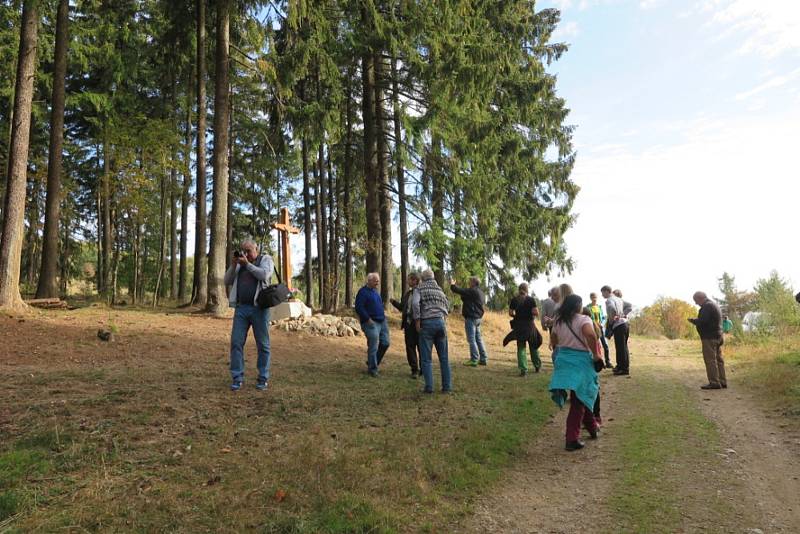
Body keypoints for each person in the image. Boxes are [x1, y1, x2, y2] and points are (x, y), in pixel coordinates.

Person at [548, 294, 602, 451]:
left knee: (580, 396)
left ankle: (592, 427)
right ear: (578, 306)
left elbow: (554, 338)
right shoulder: (584, 320)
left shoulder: (559, 320)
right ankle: (572, 438)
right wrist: (596, 354)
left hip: (563, 360)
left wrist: (559, 345)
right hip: (581, 361)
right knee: (581, 398)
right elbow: (591, 335)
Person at [223, 239, 274, 391]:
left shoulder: (265, 259)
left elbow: (264, 275)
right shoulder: (240, 264)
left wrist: (248, 265)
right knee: (236, 343)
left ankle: (263, 378)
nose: (246, 254)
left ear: (256, 249)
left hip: (260, 309)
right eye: (243, 251)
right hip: (241, 309)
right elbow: (227, 280)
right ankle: (237, 377)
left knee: (263, 345)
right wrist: (234, 265)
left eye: (249, 250)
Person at [412, 269, 452, 393]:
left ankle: (429, 387)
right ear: (433, 278)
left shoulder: (420, 289)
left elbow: (414, 304)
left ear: (423, 279)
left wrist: (417, 320)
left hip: (427, 323)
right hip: (440, 323)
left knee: (426, 358)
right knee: (444, 358)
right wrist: (443, 316)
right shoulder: (440, 290)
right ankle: (447, 387)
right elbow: (448, 305)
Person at [688, 291, 727, 390]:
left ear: (700, 298)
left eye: (696, 301)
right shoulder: (714, 305)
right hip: (718, 335)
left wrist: (693, 321)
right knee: (719, 360)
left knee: (710, 360)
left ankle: (714, 382)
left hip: (709, 337)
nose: (696, 303)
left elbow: (703, 321)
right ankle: (722, 381)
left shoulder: (707, 306)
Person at [355, 273, 390, 377]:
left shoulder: (375, 292)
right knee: (373, 346)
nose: (377, 283)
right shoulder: (362, 292)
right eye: (376, 281)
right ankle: (373, 369)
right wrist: (367, 319)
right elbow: (359, 307)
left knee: (385, 343)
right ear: (369, 281)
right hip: (370, 323)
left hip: (382, 322)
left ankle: (372, 362)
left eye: (378, 281)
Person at [451, 276, 489, 367]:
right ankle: (483, 358)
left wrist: (452, 284)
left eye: (470, 281)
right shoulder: (480, 292)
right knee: (478, 338)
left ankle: (474, 359)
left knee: (471, 339)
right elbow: (465, 298)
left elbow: (459, 291)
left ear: (474, 282)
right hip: (478, 318)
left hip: (471, 318)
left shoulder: (473, 291)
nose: (469, 283)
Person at [390, 272, 422, 378]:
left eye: (409, 279)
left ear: (415, 280)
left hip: (420, 324)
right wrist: (393, 302)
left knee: (421, 347)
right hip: (408, 324)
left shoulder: (422, 292)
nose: (408, 281)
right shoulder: (408, 294)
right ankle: (414, 370)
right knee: (410, 347)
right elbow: (402, 307)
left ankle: (423, 368)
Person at [507, 283, 542, 375]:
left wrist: (517, 315)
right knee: (533, 345)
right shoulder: (531, 300)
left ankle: (523, 370)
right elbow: (536, 312)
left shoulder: (514, 300)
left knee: (521, 347)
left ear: (519, 289)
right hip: (530, 326)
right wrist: (529, 314)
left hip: (519, 326)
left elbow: (510, 313)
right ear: (527, 290)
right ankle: (537, 366)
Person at [601, 285, 630, 376]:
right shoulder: (618, 299)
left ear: (606, 291)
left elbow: (612, 309)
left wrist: (612, 319)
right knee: (623, 347)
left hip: (619, 325)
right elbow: (629, 306)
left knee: (620, 347)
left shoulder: (609, 300)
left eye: (602, 292)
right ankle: (621, 366)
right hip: (625, 324)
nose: (602, 295)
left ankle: (623, 369)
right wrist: (623, 314)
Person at [588, 293, 612, 369]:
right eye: (592, 297)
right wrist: (594, 323)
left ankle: (608, 362)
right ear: (590, 298)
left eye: (595, 297)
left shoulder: (599, 307)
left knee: (605, 345)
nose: (594, 298)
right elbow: (587, 317)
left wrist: (602, 323)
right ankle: (598, 362)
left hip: (601, 328)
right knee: (596, 345)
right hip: (593, 328)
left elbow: (604, 317)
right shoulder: (588, 307)